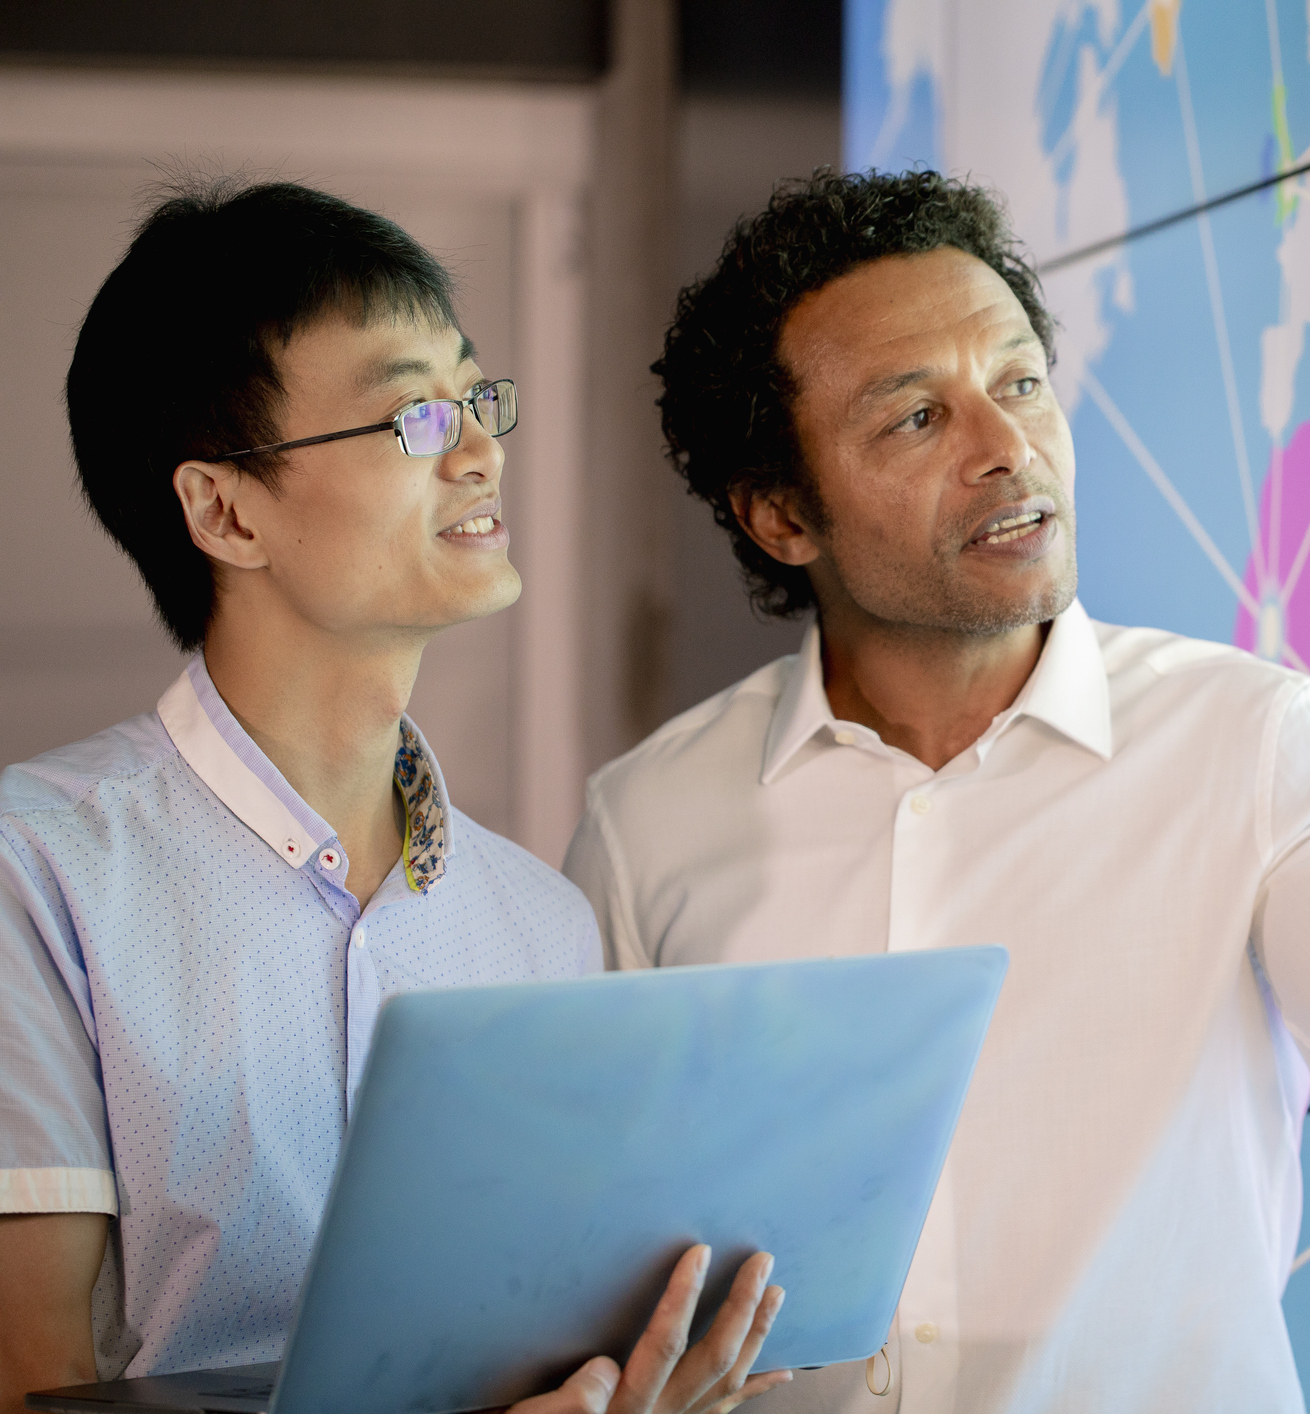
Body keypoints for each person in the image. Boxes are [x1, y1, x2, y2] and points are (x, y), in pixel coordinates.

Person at [568, 169, 1310, 1413]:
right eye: (916, 418)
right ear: (782, 514)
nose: (1007, 448)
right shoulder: (648, 828)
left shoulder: (1258, 746)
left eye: (1018, 382)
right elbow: (587, 1272)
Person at [0, 180, 790, 1414]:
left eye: (474, 394)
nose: (480, 449)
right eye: (413, 414)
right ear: (223, 508)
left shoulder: (541, 920)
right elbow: (32, 1387)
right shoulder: (37, 870)